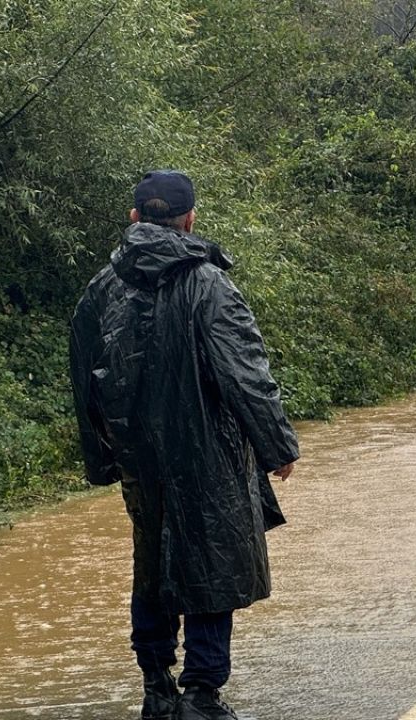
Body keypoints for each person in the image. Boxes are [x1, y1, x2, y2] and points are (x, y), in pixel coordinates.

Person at [70, 170, 300, 720]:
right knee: (211, 565)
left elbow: (85, 383)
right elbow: (244, 372)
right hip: (209, 454)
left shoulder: (100, 289)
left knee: (152, 562)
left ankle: (156, 685)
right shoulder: (209, 284)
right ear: (190, 219)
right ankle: (201, 693)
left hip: (140, 461)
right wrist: (277, 445)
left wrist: (103, 461)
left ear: (134, 219)